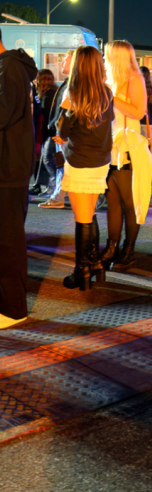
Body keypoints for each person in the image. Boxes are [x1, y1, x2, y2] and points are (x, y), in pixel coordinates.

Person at [54, 46, 114, 289]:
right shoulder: (107, 93)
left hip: (79, 161)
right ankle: (95, 264)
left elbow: (62, 131)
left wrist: (62, 128)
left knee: (82, 218)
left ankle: (82, 271)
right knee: (89, 214)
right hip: (100, 161)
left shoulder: (73, 94)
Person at [101, 40, 152, 273]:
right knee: (112, 201)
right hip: (109, 146)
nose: (105, 57)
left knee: (130, 201)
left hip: (127, 146)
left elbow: (137, 111)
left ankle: (128, 250)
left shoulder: (134, 78)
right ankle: (112, 247)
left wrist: (111, 95)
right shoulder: (109, 79)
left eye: (108, 53)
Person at [0, 31, 37, 328]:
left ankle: (13, 310)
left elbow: (2, 114)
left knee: (8, 242)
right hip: (9, 167)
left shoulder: (9, 67)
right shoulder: (10, 67)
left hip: (8, 170)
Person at [38, 51, 74, 208]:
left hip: (62, 133)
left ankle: (58, 196)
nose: (62, 63)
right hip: (59, 130)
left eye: (65, 60)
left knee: (60, 164)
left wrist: (63, 133)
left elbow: (67, 110)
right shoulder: (68, 82)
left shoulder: (72, 83)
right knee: (60, 164)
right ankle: (57, 195)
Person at [30, 69, 57, 195]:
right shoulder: (54, 91)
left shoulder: (47, 94)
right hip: (52, 131)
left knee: (47, 159)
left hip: (50, 132)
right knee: (46, 159)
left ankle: (53, 187)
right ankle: (46, 186)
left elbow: (44, 112)